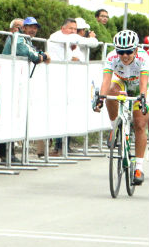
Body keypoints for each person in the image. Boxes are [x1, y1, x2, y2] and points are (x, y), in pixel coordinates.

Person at [93, 30, 148, 185]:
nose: (124, 56)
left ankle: (138, 168)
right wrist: (101, 99)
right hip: (122, 81)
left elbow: (144, 82)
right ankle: (115, 127)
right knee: (110, 91)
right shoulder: (111, 57)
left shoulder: (143, 58)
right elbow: (106, 80)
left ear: (136, 49)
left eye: (129, 51)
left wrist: (142, 98)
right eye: (121, 52)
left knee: (140, 123)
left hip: (141, 86)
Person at [0, 16, 51, 162]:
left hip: (16, 83)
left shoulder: (26, 39)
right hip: (7, 80)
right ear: (24, 27)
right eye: (30, 26)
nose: (33, 29)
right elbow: (30, 54)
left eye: (35, 27)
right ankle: (5, 154)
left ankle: (9, 153)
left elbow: (35, 52)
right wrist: (41, 57)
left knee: (14, 116)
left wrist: (40, 55)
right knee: (6, 116)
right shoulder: (19, 37)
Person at [48, 18, 98, 155]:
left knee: (68, 113)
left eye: (75, 29)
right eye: (70, 28)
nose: (73, 32)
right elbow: (93, 43)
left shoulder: (71, 40)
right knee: (59, 113)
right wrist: (92, 37)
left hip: (68, 81)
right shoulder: (57, 36)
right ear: (62, 28)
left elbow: (79, 58)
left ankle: (64, 145)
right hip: (57, 79)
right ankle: (58, 146)